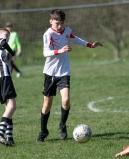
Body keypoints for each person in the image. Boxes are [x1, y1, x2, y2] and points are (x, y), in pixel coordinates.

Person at [36, 9, 103, 142]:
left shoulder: (66, 31)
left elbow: (75, 39)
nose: (60, 26)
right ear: (51, 22)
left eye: (61, 23)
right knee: (46, 106)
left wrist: (90, 45)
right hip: (50, 73)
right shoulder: (48, 34)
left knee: (66, 101)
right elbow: (45, 53)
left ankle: (62, 126)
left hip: (64, 72)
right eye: (57, 23)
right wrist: (60, 50)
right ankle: (43, 132)